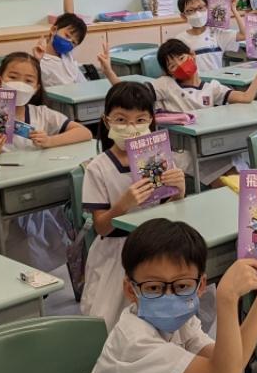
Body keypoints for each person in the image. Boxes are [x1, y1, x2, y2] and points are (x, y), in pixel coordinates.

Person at [71, 218, 257, 373]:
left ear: (201, 286)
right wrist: (227, 299)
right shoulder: (135, 340)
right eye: (154, 288)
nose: (169, 296)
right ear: (131, 290)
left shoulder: (182, 321)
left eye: (182, 286)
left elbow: (234, 360)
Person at [79, 81, 187, 328]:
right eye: (121, 119)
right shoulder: (98, 167)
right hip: (117, 252)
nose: (131, 127)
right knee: (110, 321)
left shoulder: (160, 159)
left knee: (166, 315)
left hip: (157, 245)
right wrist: (123, 205)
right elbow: (102, 227)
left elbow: (170, 209)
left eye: (140, 120)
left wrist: (180, 191)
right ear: (107, 121)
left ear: (151, 121)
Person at [97, 38, 257, 185]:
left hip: (210, 146)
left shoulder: (212, 87)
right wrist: (109, 72)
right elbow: (132, 95)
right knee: (230, 181)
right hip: (182, 151)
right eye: (172, 66)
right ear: (169, 72)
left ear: (192, 55)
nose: (180, 66)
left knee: (241, 170)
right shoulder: (166, 85)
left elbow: (246, 97)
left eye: (182, 58)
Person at [36, 0, 89, 86]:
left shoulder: (66, 55)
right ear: (54, 30)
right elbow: (69, 15)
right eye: (67, 36)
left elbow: (69, 15)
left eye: (74, 43)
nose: (69, 42)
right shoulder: (41, 59)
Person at [176, 0, 245, 72]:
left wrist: (234, 9)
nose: (197, 13)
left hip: (216, 79)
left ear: (208, 8)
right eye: (191, 10)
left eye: (200, 8)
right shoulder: (180, 40)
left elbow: (244, 35)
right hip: (195, 80)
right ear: (183, 16)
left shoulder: (216, 33)